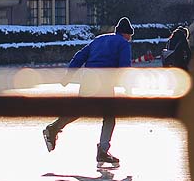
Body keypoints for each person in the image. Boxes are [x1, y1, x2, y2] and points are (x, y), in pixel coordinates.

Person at [42, 17, 133, 166]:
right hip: (104, 79)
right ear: (126, 34)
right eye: (130, 36)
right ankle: (103, 151)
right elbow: (124, 66)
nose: (130, 39)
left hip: (89, 76)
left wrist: (68, 76)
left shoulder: (99, 39)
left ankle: (54, 128)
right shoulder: (123, 43)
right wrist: (128, 87)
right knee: (109, 116)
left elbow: (79, 56)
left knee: (80, 109)